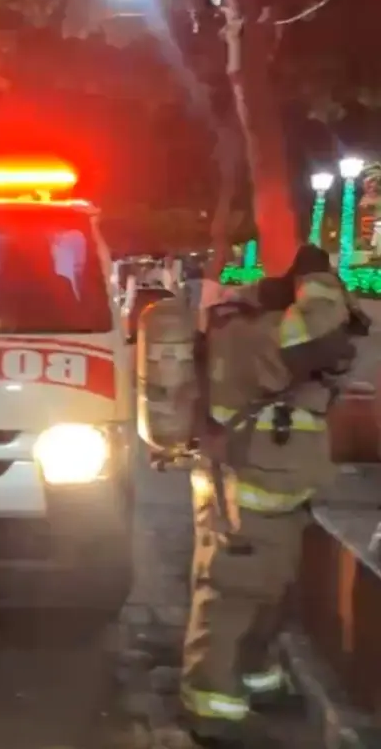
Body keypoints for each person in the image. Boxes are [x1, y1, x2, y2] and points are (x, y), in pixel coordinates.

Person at [181, 245, 364, 748]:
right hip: (248, 492)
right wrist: (317, 277)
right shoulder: (255, 335)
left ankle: (254, 679)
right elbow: (323, 328)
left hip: (271, 490)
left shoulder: (250, 327)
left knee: (267, 592)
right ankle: (211, 709)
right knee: (232, 596)